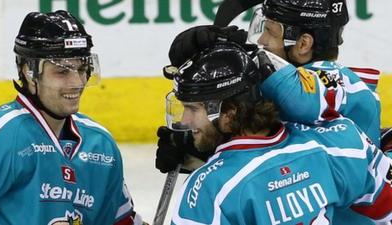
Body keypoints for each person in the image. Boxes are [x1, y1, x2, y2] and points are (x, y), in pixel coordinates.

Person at [168, 42, 392, 225]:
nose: (184, 120)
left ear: (229, 113)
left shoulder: (207, 189)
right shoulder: (336, 143)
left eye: (193, 109)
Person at [155, 0, 381, 174]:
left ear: (303, 44)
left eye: (270, 32)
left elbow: (300, 99)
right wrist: (201, 147)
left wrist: (238, 54)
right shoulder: (287, 91)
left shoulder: (341, 85)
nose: (261, 40)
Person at [0, 10, 145, 225]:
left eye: (82, 69)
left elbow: (120, 221)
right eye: (62, 72)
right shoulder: (1, 134)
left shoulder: (101, 145)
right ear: (29, 71)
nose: (77, 82)